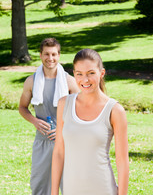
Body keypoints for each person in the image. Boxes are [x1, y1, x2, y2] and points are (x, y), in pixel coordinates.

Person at [51, 48, 129, 195]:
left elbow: (122, 161)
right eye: (79, 74)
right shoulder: (64, 104)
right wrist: (54, 192)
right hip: (71, 190)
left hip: (103, 189)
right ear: (74, 74)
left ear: (102, 73)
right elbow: (59, 153)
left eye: (91, 73)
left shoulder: (115, 110)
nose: (85, 80)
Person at [19, 38, 79, 195]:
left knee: (70, 188)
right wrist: (34, 121)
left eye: (53, 54)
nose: (50, 58)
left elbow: (81, 112)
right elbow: (22, 107)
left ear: (59, 55)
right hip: (42, 141)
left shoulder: (69, 82)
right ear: (40, 55)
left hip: (67, 141)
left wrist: (63, 127)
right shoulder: (31, 81)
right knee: (39, 187)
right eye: (46, 54)